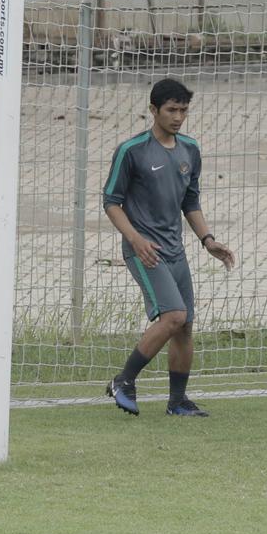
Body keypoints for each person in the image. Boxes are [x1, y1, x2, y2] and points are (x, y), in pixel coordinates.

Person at [103, 79, 235, 416]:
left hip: (175, 250)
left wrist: (208, 240)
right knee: (173, 315)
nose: (178, 117)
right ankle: (124, 380)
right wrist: (135, 238)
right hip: (144, 251)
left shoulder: (189, 149)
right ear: (153, 110)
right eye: (171, 110)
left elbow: (190, 202)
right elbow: (111, 202)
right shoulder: (131, 151)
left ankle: (177, 402)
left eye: (183, 110)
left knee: (186, 324)